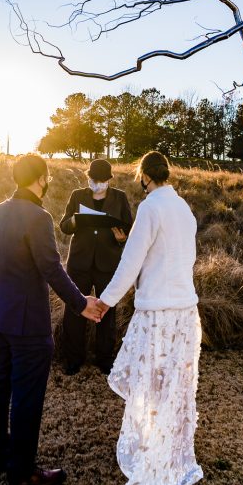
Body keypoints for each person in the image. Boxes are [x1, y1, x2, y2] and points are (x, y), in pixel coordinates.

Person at [0, 153, 102, 485]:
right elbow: (52, 269)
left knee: (1, 385)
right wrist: (82, 304)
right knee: (27, 396)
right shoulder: (39, 217)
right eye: (46, 175)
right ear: (39, 178)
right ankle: (22, 471)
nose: (48, 181)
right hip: (28, 325)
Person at [96, 151, 202, 485]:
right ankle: (172, 451)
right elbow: (187, 258)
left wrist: (105, 301)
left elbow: (131, 262)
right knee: (174, 386)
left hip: (158, 312)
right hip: (186, 311)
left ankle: (154, 454)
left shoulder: (150, 208)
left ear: (144, 176)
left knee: (151, 385)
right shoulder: (184, 208)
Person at [59, 158, 134, 375]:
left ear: (109, 180)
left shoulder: (119, 197)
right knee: (74, 311)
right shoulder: (77, 195)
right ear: (88, 177)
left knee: (107, 312)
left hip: (107, 262)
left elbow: (128, 226)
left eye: (101, 180)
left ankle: (104, 359)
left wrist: (121, 238)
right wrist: (75, 221)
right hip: (79, 262)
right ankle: (73, 359)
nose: (97, 183)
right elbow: (64, 226)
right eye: (94, 179)